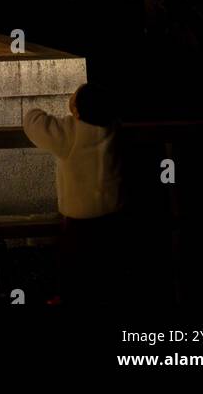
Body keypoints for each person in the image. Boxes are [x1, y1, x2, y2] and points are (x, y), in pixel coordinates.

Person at [23, 83, 125, 305]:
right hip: (114, 213)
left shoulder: (70, 132)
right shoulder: (114, 128)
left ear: (76, 110)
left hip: (80, 219)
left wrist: (34, 110)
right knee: (108, 268)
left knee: (75, 264)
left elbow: (34, 124)